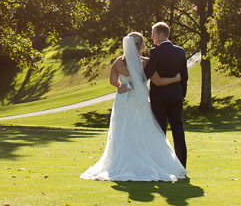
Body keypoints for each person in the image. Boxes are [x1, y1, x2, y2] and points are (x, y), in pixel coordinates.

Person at [80, 31, 188, 182]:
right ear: (140, 46)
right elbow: (154, 79)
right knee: (143, 129)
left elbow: (113, 80)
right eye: (144, 42)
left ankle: (123, 161)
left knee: (123, 130)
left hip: (123, 100)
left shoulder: (118, 62)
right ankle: (156, 162)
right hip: (140, 99)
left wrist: (122, 86)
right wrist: (176, 79)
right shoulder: (145, 62)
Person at [143, 21, 189, 168]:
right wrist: (182, 94)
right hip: (176, 95)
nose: (151, 38)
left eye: (153, 34)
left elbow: (148, 73)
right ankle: (182, 165)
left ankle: (160, 165)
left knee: (160, 131)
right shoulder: (180, 51)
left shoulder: (155, 52)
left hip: (159, 97)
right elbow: (184, 76)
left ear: (160, 34)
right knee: (178, 129)